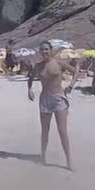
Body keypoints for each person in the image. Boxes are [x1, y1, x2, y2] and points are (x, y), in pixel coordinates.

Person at [27, 42, 79, 171]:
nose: (44, 52)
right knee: (45, 131)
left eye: (46, 49)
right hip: (45, 99)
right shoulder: (38, 66)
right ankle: (43, 156)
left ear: (50, 50)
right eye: (42, 50)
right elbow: (30, 77)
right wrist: (29, 89)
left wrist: (71, 85)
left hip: (59, 98)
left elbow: (75, 71)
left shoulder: (59, 63)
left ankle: (69, 160)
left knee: (62, 131)